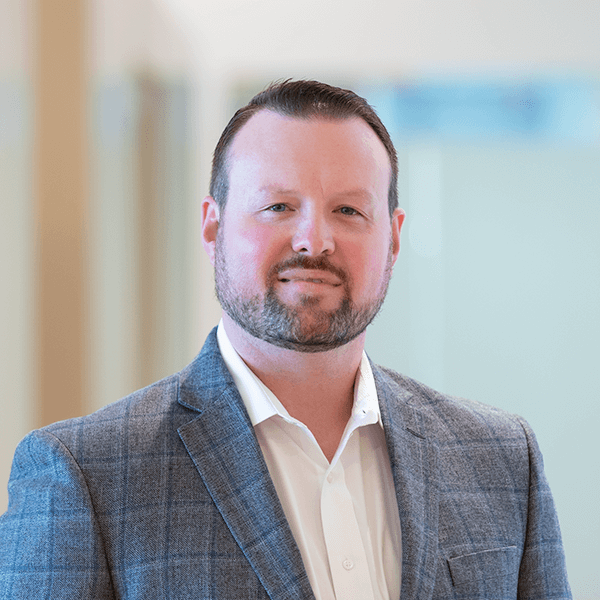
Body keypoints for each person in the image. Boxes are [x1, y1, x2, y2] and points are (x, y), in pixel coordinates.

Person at [0, 80, 571, 600]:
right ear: (213, 227)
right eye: (278, 206)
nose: (313, 241)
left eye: (348, 210)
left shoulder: (501, 461)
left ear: (394, 239)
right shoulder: (86, 477)